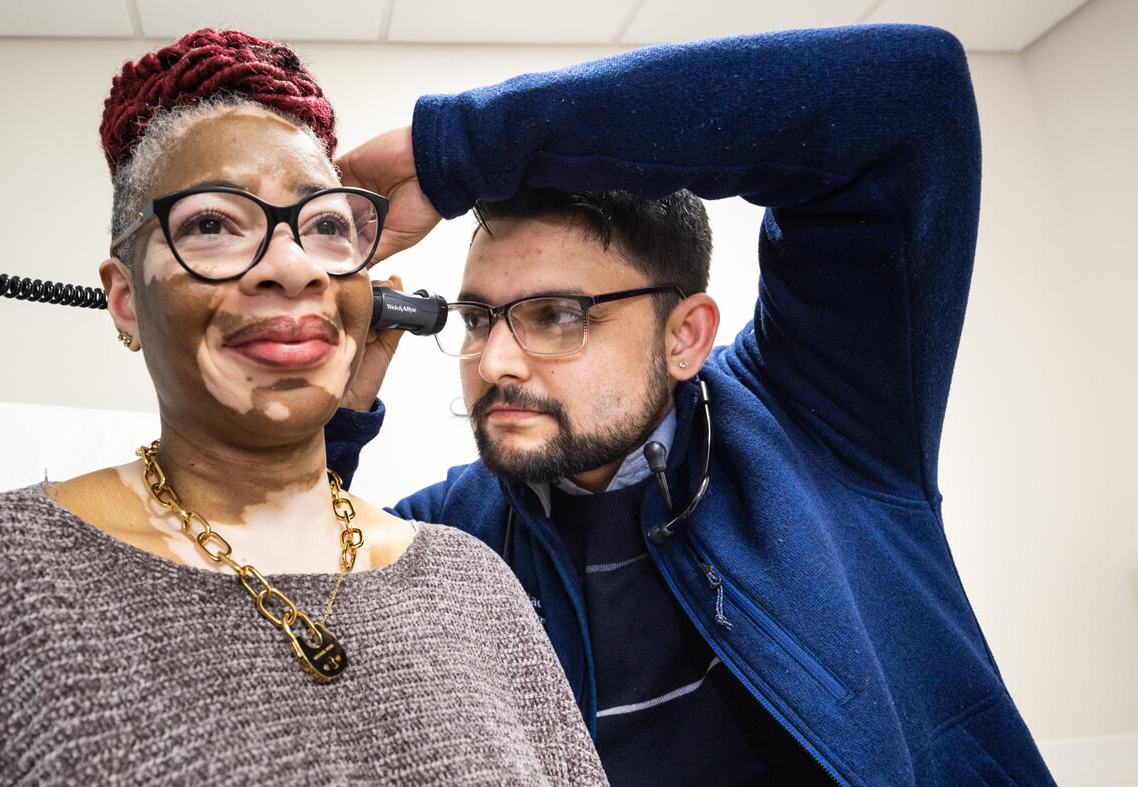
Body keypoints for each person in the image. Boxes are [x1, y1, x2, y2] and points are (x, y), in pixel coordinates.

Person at [0, 29, 606, 785]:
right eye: (213, 225)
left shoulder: (475, 587)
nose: (294, 266)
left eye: (327, 227)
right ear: (125, 299)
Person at [327, 24, 1055, 786]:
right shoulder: (453, 536)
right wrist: (331, 425)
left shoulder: (819, 418)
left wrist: (458, 151)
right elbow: (261, 622)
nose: (496, 362)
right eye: (479, 318)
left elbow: (907, 94)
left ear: (685, 336)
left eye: (558, 315)